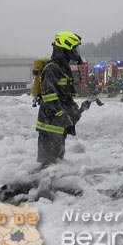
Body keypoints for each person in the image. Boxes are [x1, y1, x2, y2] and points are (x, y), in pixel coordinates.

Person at [35, 32, 83, 165]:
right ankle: (33, 184)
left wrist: (73, 110)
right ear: (65, 48)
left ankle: (52, 185)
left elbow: (64, 96)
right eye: (73, 48)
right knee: (47, 163)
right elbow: (48, 95)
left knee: (56, 163)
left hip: (57, 126)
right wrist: (61, 114)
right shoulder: (52, 69)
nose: (75, 52)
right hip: (49, 124)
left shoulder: (63, 69)